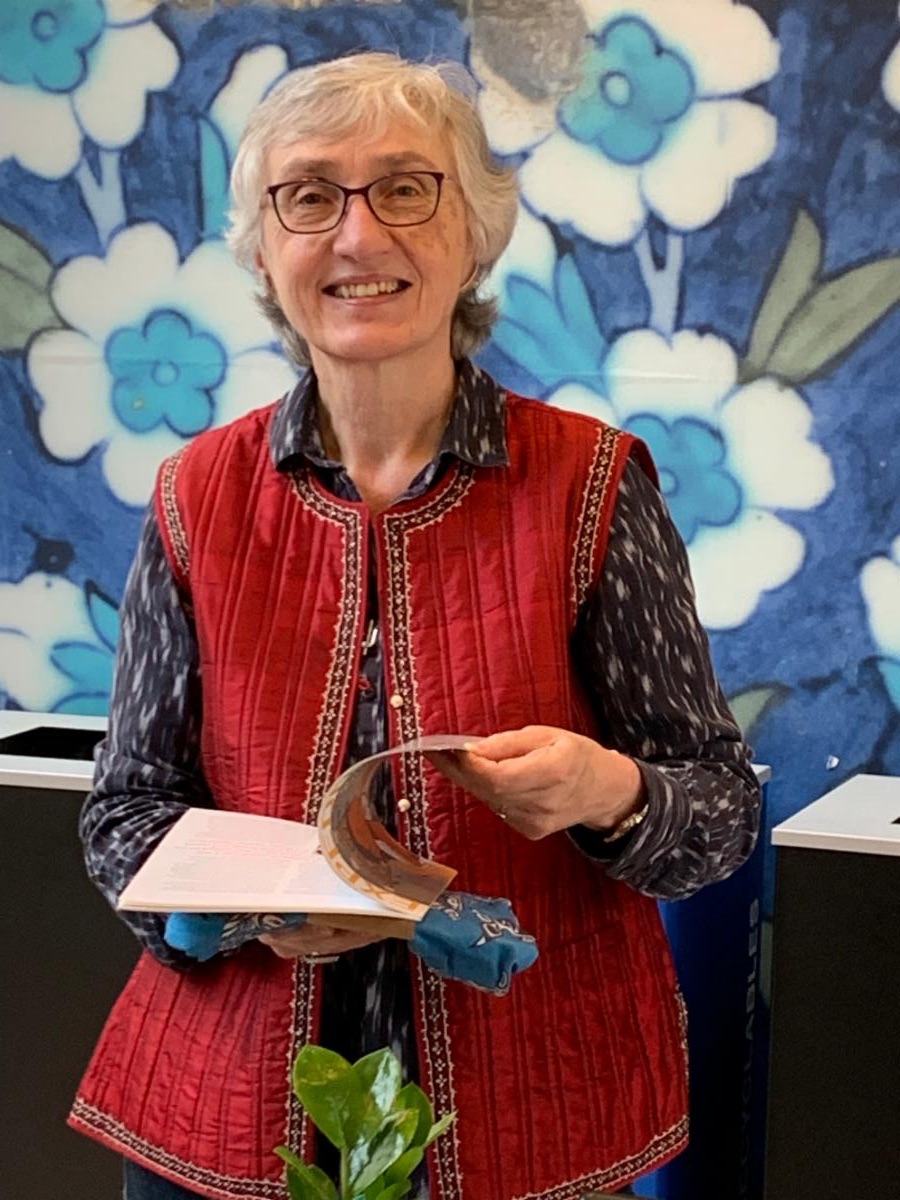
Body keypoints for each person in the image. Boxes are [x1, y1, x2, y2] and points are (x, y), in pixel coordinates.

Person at [70, 52, 760, 1200]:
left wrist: (605, 794)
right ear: (263, 249)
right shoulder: (195, 492)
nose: (356, 236)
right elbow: (124, 815)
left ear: (473, 233)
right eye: (309, 196)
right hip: (233, 1114)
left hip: (529, 1105)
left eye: (405, 186)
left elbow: (720, 812)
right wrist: (245, 904)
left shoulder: (594, 481)